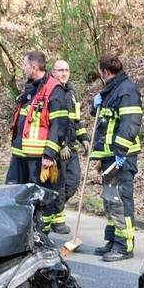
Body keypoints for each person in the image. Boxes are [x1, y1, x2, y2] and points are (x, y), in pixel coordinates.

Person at [8, 50, 70, 234]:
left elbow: (59, 124)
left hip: (38, 156)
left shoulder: (53, 89)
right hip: (20, 153)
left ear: (34, 67)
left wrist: (50, 154)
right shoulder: (30, 88)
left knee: (38, 196)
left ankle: (40, 235)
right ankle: (21, 231)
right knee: (16, 192)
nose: (23, 68)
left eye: (25, 65)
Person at [88, 54, 143, 262]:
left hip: (122, 156)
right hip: (110, 156)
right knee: (110, 200)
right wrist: (96, 107)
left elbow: (130, 123)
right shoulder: (111, 90)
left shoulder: (126, 90)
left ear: (104, 71)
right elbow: (104, 121)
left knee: (121, 200)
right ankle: (113, 240)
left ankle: (124, 245)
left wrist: (120, 153)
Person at [52, 60, 89, 210]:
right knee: (58, 185)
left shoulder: (71, 93)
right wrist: (60, 145)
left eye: (66, 70)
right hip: (57, 148)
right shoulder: (52, 92)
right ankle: (54, 217)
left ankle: (54, 209)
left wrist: (84, 138)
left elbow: (76, 120)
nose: (64, 73)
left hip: (71, 147)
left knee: (73, 183)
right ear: (53, 72)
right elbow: (52, 123)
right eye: (60, 70)